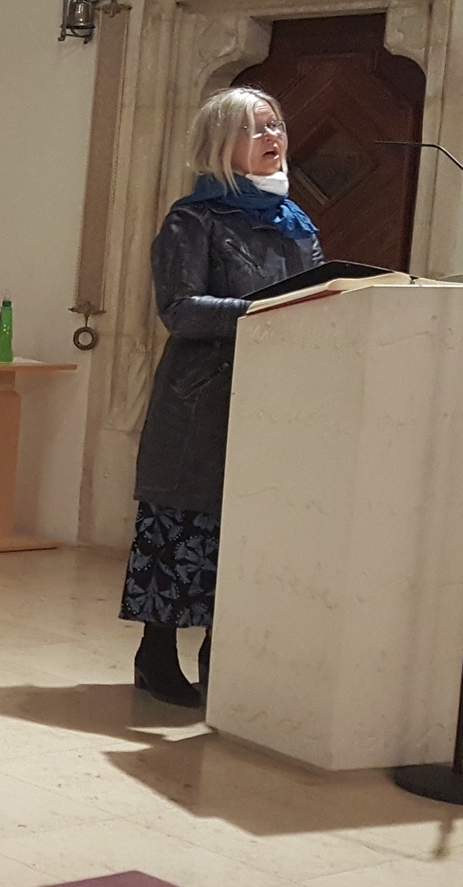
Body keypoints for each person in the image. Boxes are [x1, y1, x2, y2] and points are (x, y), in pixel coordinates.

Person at [119, 86, 324, 707]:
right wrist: (262, 313)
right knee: (185, 530)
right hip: (202, 399)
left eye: (276, 124)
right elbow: (180, 310)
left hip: (277, 398)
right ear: (219, 144)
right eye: (255, 128)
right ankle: (157, 655)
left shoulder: (296, 224)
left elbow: (316, 300)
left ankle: (224, 656)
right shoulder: (193, 219)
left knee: (250, 532)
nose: (272, 137)